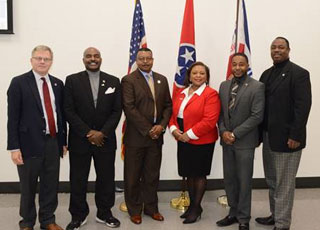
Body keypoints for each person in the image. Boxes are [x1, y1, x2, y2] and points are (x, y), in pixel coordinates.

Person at [7, 45, 67, 230]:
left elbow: (61, 115)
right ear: (31, 60)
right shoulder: (18, 83)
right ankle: (27, 222)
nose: (42, 62)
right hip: (28, 145)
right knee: (28, 187)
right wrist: (14, 148)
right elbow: (13, 118)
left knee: (50, 185)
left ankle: (48, 220)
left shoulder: (57, 84)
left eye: (46, 59)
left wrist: (63, 141)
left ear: (51, 62)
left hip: (52, 142)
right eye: (39, 58)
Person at [255, 37, 312, 230]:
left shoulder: (299, 74)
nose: (277, 50)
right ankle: (275, 214)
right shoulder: (266, 74)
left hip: (289, 140)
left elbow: (302, 107)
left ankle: (282, 224)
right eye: (273, 47)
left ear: (288, 50)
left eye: (281, 47)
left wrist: (295, 135)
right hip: (269, 137)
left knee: (284, 184)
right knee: (272, 180)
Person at [64, 47, 122, 229]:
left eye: (96, 56)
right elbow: (68, 110)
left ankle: (104, 213)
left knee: (106, 178)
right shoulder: (72, 80)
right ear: (83, 60)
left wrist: (102, 133)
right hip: (80, 140)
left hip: (105, 139)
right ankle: (78, 215)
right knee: (78, 179)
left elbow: (116, 111)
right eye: (89, 56)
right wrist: (89, 133)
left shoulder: (113, 81)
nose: (93, 59)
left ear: (101, 59)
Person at [121, 47, 172, 225]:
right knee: (133, 176)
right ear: (136, 60)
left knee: (152, 175)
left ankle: (151, 208)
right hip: (137, 136)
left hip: (156, 137)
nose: (145, 61)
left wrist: (161, 126)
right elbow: (129, 107)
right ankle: (135, 210)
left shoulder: (162, 79)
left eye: (148, 58)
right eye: (141, 59)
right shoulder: (128, 80)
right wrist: (149, 128)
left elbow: (168, 106)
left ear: (152, 59)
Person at [216, 53, 265, 230]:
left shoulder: (257, 86)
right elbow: (220, 113)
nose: (237, 68)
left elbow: (257, 116)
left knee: (244, 181)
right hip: (226, 141)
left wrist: (234, 134)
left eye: (241, 65)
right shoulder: (224, 85)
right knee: (229, 179)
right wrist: (223, 131)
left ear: (247, 65)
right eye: (234, 64)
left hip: (244, 141)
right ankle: (233, 213)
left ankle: (244, 218)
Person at [169, 61, 221, 224]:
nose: (198, 76)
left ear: (207, 77)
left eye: (202, 73)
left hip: (201, 140)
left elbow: (209, 121)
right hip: (182, 137)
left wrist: (188, 135)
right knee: (188, 173)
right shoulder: (181, 93)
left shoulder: (211, 94)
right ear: (189, 76)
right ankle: (194, 206)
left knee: (199, 174)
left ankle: (196, 208)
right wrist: (174, 130)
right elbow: (173, 115)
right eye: (195, 73)